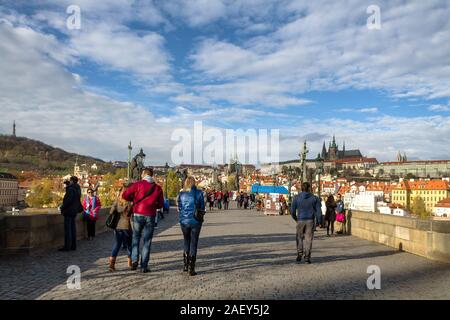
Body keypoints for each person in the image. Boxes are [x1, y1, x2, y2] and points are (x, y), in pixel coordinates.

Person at [122, 167, 164, 273]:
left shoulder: (138, 184)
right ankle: (144, 266)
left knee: (135, 238)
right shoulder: (157, 188)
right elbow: (161, 204)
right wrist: (153, 205)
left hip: (138, 214)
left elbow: (124, 195)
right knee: (147, 241)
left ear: (144, 174)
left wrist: (134, 199)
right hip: (150, 215)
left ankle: (135, 260)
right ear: (151, 175)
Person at [178, 176, 205, 276]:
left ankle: (185, 265)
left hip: (184, 221)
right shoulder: (199, 193)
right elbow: (202, 207)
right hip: (195, 221)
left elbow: (180, 206)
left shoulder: (181, 193)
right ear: (194, 183)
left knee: (186, 240)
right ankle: (191, 268)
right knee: (194, 243)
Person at [290, 182, 322, 264]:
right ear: (309, 188)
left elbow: (292, 211)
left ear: (301, 188)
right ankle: (307, 257)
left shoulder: (296, 198)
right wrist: (319, 221)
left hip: (300, 220)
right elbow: (319, 211)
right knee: (308, 239)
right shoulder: (314, 198)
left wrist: (295, 218)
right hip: (310, 220)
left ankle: (299, 253)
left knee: (299, 238)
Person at [108, 188, 132, 271]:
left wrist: (115, 206)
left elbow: (110, 212)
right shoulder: (129, 202)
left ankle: (112, 263)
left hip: (117, 226)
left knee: (117, 244)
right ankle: (130, 262)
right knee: (129, 244)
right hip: (127, 226)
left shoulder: (116, 202)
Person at [58, 176, 82, 252]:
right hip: (74, 211)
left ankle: (67, 246)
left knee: (68, 229)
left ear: (71, 181)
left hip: (69, 211)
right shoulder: (78, 189)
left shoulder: (71, 189)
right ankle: (73, 245)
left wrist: (62, 207)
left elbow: (68, 201)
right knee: (73, 229)